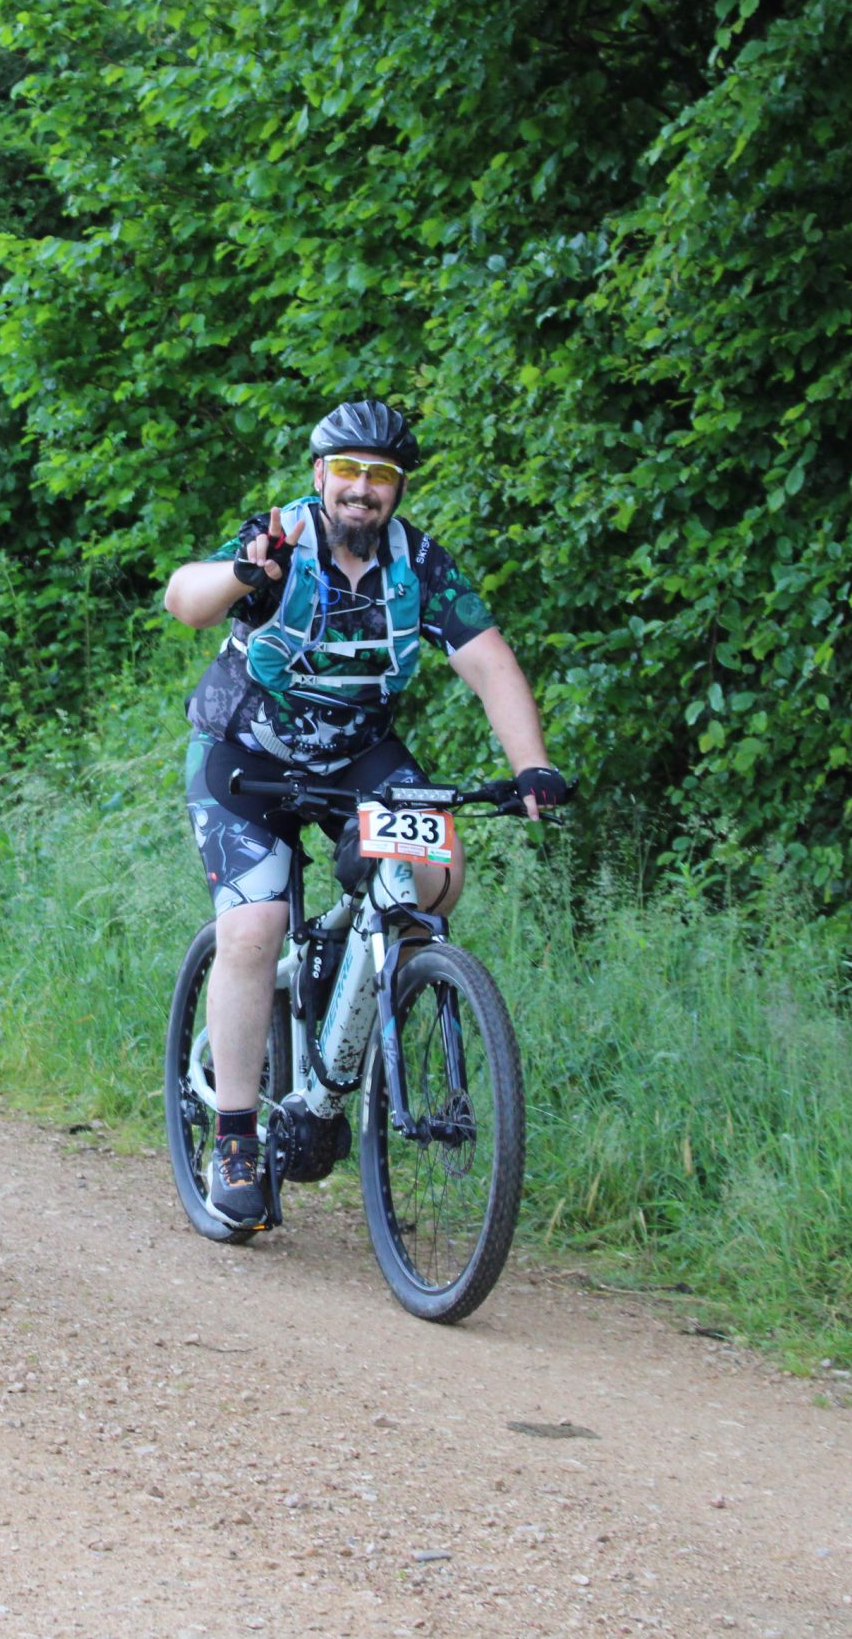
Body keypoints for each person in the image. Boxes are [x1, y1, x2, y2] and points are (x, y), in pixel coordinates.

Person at [161, 400, 566, 1231]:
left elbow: (490, 663)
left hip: (356, 755)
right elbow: (185, 598)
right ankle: (234, 1137)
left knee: (433, 878)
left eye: (380, 475)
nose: (361, 488)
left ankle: (350, 999)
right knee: (254, 925)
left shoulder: (419, 563)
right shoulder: (280, 540)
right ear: (320, 475)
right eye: (346, 469)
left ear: (398, 488)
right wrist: (243, 574)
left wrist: (532, 766)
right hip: (246, 752)